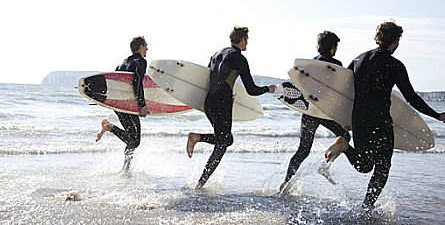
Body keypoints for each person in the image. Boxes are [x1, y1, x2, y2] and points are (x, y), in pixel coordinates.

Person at [324, 22, 445, 210]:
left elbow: (343, 91)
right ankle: (366, 207)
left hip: (359, 119)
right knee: (381, 168)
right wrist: (436, 115)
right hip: (380, 120)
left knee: (364, 165)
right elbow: (411, 97)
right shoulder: (394, 64)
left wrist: (344, 119)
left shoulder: (359, 59)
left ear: (377, 37)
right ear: (396, 41)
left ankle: (344, 146)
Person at [186, 27, 276, 189]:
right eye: (246, 40)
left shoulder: (216, 54)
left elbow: (205, 79)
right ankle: (200, 182)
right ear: (241, 40)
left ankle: (198, 147)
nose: (247, 43)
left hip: (209, 103)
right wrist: (267, 89)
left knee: (225, 139)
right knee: (224, 141)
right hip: (222, 103)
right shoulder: (239, 58)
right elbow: (251, 89)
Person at [280, 31, 350, 191]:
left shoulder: (310, 64)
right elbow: (341, 92)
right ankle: (326, 166)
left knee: (303, 150)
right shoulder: (336, 64)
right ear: (333, 47)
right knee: (345, 136)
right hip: (325, 112)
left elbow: (299, 87)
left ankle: (285, 182)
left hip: (310, 111)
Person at [96, 36, 150, 171]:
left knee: (132, 139)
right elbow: (137, 82)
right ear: (141, 47)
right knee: (135, 140)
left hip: (118, 104)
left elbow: (115, 84)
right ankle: (125, 167)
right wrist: (142, 105)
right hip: (129, 105)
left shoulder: (121, 64)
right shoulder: (141, 61)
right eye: (146, 46)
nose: (148, 48)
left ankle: (126, 168)